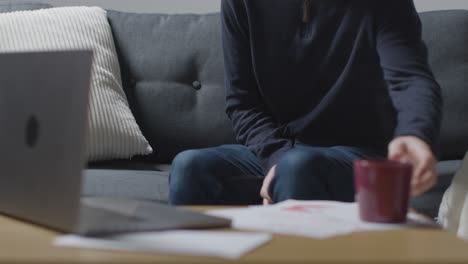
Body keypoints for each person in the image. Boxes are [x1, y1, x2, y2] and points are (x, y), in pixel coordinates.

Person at [168, 0, 442, 205]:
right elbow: (242, 102)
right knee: (189, 167)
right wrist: (277, 156)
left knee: (297, 167)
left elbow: (411, 80)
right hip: (283, 152)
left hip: (357, 156)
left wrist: (415, 133)